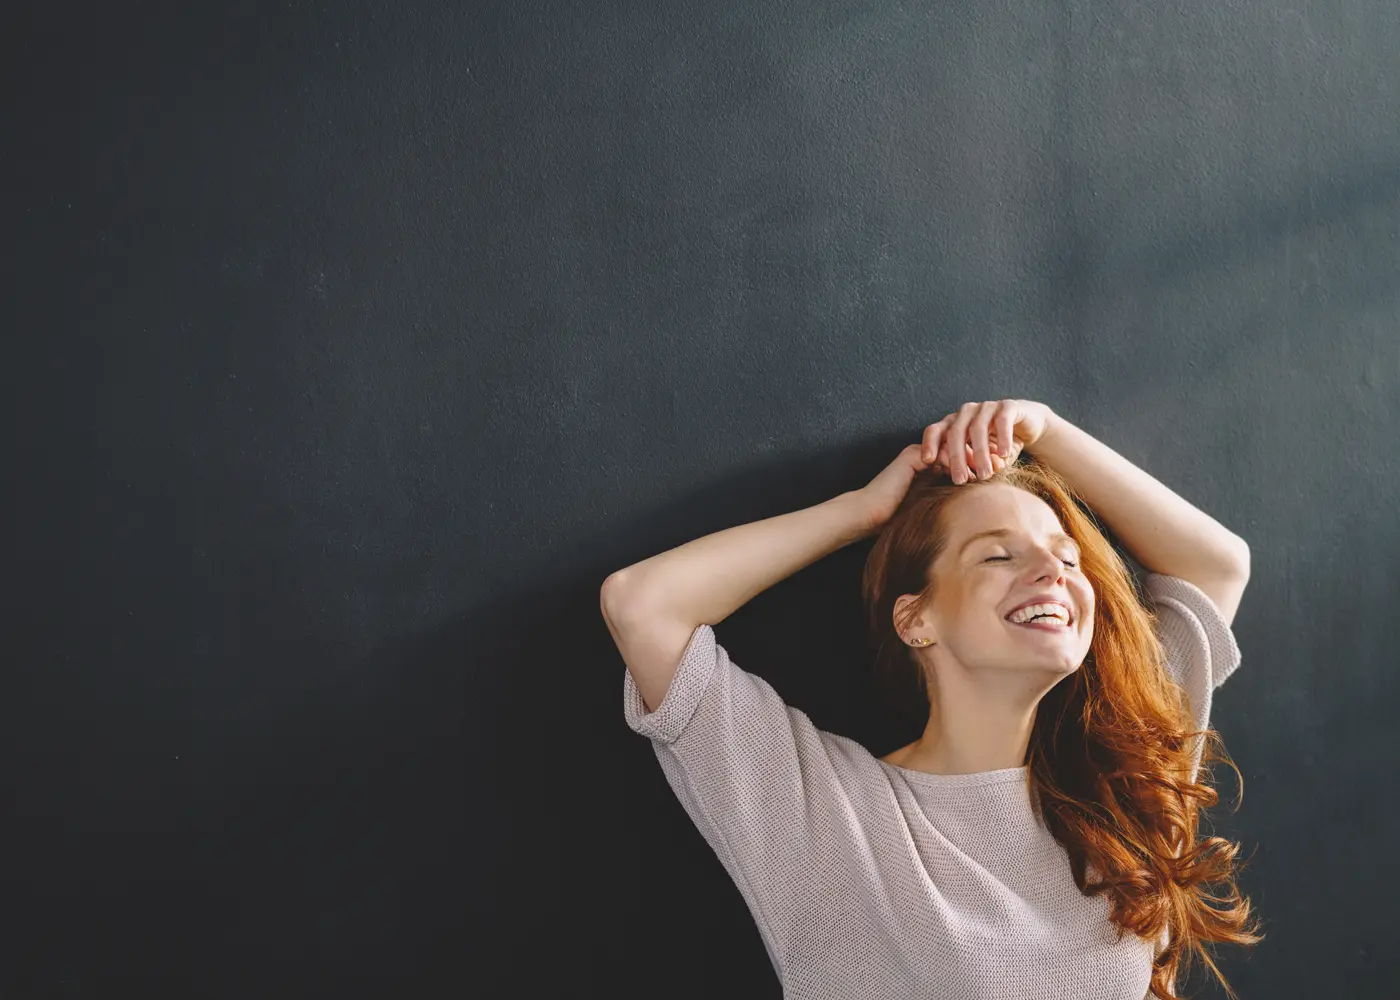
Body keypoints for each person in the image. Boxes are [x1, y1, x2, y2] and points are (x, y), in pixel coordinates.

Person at [601, 399, 1263, 1000]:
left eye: (1066, 559)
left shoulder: (1119, 779)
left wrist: (1043, 429)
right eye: (996, 557)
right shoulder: (833, 819)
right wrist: (860, 513)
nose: (1051, 575)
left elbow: (1219, 566)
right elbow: (644, 605)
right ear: (915, 619)